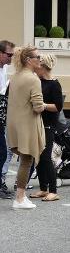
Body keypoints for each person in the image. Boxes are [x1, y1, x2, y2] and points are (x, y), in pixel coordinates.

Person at [7, 45, 46, 209]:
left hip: (14, 123)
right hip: (27, 124)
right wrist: (44, 105)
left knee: (24, 159)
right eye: (37, 57)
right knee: (26, 160)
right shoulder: (33, 78)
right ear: (29, 60)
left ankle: (20, 196)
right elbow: (37, 107)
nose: (40, 60)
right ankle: (20, 198)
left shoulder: (15, 76)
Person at [30, 54, 63, 201]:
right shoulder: (38, 81)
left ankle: (53, 190)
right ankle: (43, 188)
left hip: (48, 124)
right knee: (37, 157)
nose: (36, 68)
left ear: (44, 67)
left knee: (46, 157)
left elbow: (58, 106)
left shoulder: (55, 84)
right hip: (37, 123)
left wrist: (42, 106)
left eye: (38, 65)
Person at [0, 40, 15, 199]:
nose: (11, 58)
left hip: (2, 116)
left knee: (3, 152)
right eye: (9, 55)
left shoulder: (4, 68)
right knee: (2, 152)